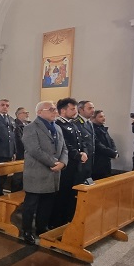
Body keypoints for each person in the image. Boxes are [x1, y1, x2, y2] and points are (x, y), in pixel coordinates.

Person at [21, 101, 67, 244]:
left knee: (47, 203)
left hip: (53, 173)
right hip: (37, 172)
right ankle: (27, 231)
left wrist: (63, 163)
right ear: (39, 112)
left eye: (55, 109)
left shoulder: (57, 128)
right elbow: (35, 150)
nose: (55, 112)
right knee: (31, 204)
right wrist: (54, 163)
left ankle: (42, 228)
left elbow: (64, 148)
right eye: (51, 109)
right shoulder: (30, 128)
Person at [52, 97, 87, 228]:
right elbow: (65, 145)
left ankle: (68, 219)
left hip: (75, 165)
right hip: (66, 165)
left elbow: (80, 141)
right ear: (62, 110)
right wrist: (77, 155)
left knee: (71, 194)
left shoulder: (72, 124)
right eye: (72, 109)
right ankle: (57, 223)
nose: (75, 112)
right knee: (62, 195)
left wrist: (83, 152)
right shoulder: (59, 125)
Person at [91, 110, 118, 180]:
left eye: (104, 116)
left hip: (106, 161)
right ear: (93, 118)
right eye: (100, 117)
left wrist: (114, 150)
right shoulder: (92, 129)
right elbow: (98, 145)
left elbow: (110, 140)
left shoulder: (102, 128)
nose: (104, 118)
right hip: (97, 163)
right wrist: (112, 153)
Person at [75, 100, 96, 182]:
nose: (93, 110)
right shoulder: (76, 123)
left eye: (93, 108)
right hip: (80, 162)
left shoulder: (89, 123)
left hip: (90, 161)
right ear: (80, 110)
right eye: (90, 108)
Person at [11, 106, 30, 192]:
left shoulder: (28, 125)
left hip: (28, 155)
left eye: (27, 113)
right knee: (18, 178)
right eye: (24, 113)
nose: (27, 114)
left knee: (25, 178)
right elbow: (19, 141)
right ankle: (15, 194)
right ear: (18, 115)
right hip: (20, 154)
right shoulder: (15, 125)